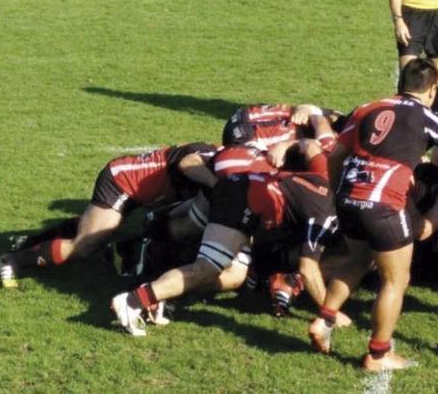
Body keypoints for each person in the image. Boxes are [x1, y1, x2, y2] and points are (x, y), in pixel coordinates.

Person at [307, 58, 438, 372]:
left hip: (349, 196)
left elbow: (335, 154)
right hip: (384, 203)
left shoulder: (366, 107)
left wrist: (335, 192)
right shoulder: (428, 117)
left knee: (358, 260)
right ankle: (378, 354)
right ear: (430, 90)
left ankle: (324, 319)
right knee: (396, 279)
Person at [110, 140, 340, 336]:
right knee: (207, 266)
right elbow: (308, 268)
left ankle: (152, 288)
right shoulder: (325, 212)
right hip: (239, 200)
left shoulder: (326, 176)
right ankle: (133, 298)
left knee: (230, 273)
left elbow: (310, 146)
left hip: (245, 196)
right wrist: (330, 313)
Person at [0, 143, 217, 288]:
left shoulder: (226, 161)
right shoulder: (212, 155)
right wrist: (216, 185)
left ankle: (31, 242)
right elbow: (188, 163)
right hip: (122, 183)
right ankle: (11, 260)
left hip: (138, 193)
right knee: (84, 245)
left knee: (95, 227)